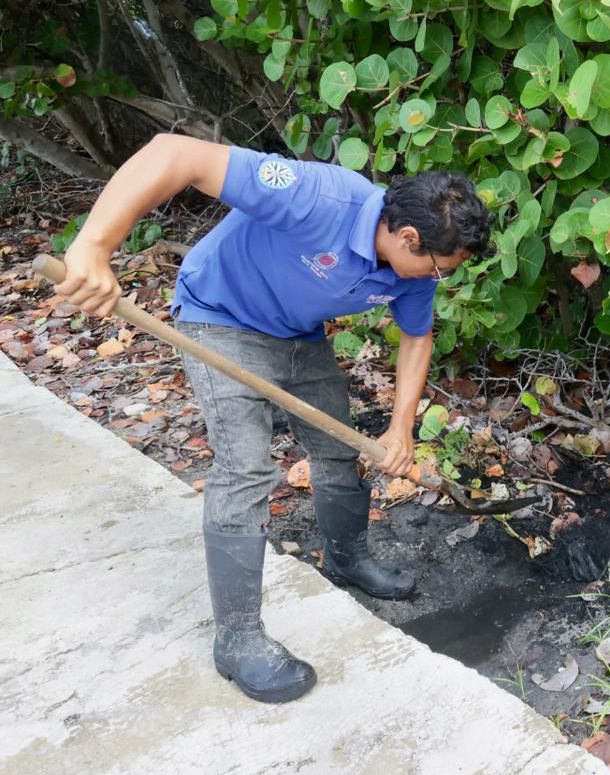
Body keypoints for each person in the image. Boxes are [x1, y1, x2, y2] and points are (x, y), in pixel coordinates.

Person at [54, 134, 491, 703]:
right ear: (408, 237)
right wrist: (93, 246)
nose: (436, 279)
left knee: (337, 448)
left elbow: (416, 337)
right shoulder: (318, 197)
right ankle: (237, 639)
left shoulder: (409, 272)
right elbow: (173, 153)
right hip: (220, 318)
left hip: (296, 334)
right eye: (437, 269)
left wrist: (401, 426)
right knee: (245, 469)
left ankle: (347, 559)